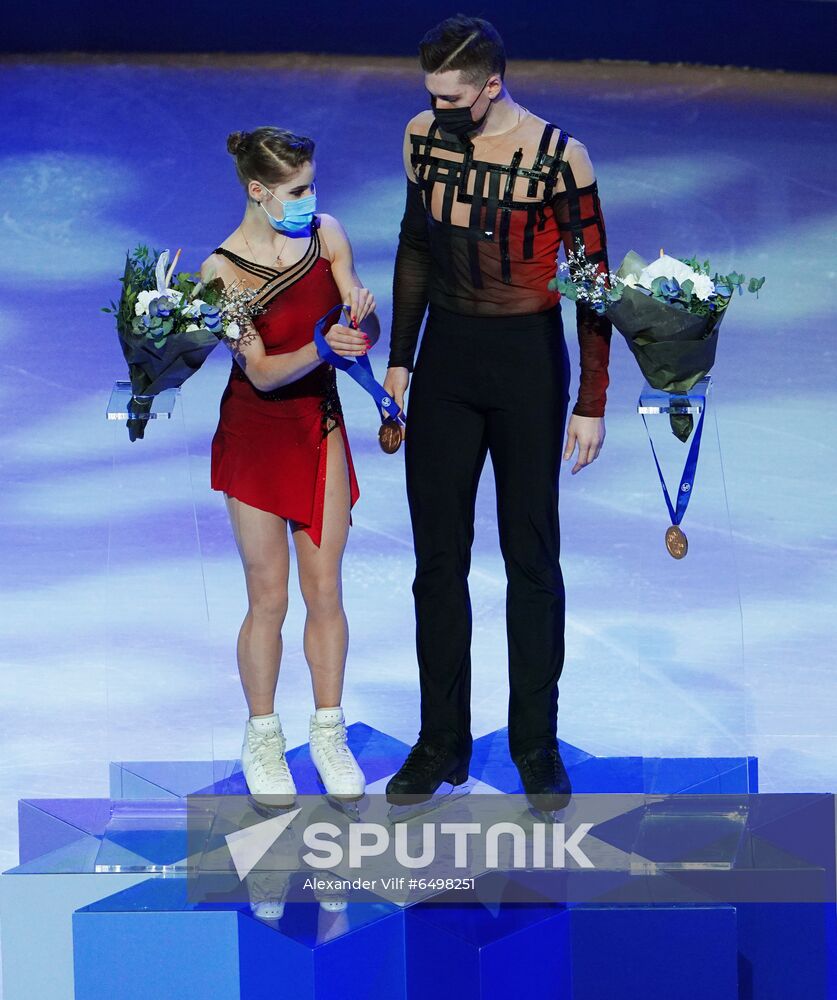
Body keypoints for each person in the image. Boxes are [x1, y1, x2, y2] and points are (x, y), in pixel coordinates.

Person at [382, 17, 612, 810]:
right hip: (445, 360)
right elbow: (415, 245)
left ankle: (534, 743)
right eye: (430, 96)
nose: (438, 109)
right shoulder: (422, 136)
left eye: (452, 96)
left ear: (490, 84)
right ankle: (439, 740)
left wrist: (590, 399)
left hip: (525, 366)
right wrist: (401, 359)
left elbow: (592, 281)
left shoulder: (558, 155)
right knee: (436, 562)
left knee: (530, 559)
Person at [201, 126, 379, 805]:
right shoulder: (220, 274)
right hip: (255, 436)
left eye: (311, 186)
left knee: (324, 587)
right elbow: (266, 372)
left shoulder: (326, 235)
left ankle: (328, 735)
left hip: (320, 428)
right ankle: (263, 738)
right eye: (296, 190)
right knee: (268, 597)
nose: (311, 200)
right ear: (257, 190)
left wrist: (360, 325)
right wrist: (322, 346)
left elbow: (357, 320)